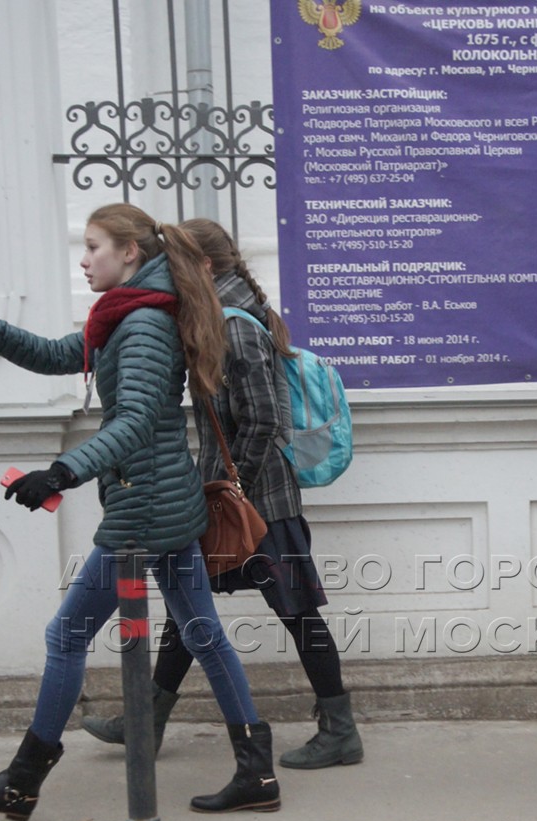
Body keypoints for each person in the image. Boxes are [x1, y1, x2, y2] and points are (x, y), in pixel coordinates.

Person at [0, 204, 280, 818]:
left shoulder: (139, 324)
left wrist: (62, 472)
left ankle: (22, 781)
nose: (83, 260)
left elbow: (135, 422)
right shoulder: (130, 313)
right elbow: (60, 353)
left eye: (93, 247)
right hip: (167, 499)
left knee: (67, 635)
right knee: (203, 633)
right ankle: (257, 773)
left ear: (129, 253)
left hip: (142, 507)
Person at [80, 218, 364, 770]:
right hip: (231, 496)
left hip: (258, 505)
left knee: (298, 615)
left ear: (204, 268)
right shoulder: (221, 320)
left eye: (180, 266)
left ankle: (340, 731)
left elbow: (264, 421)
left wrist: (234, 491)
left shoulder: (235, 328)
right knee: (190, 612)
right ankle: (147, 720)